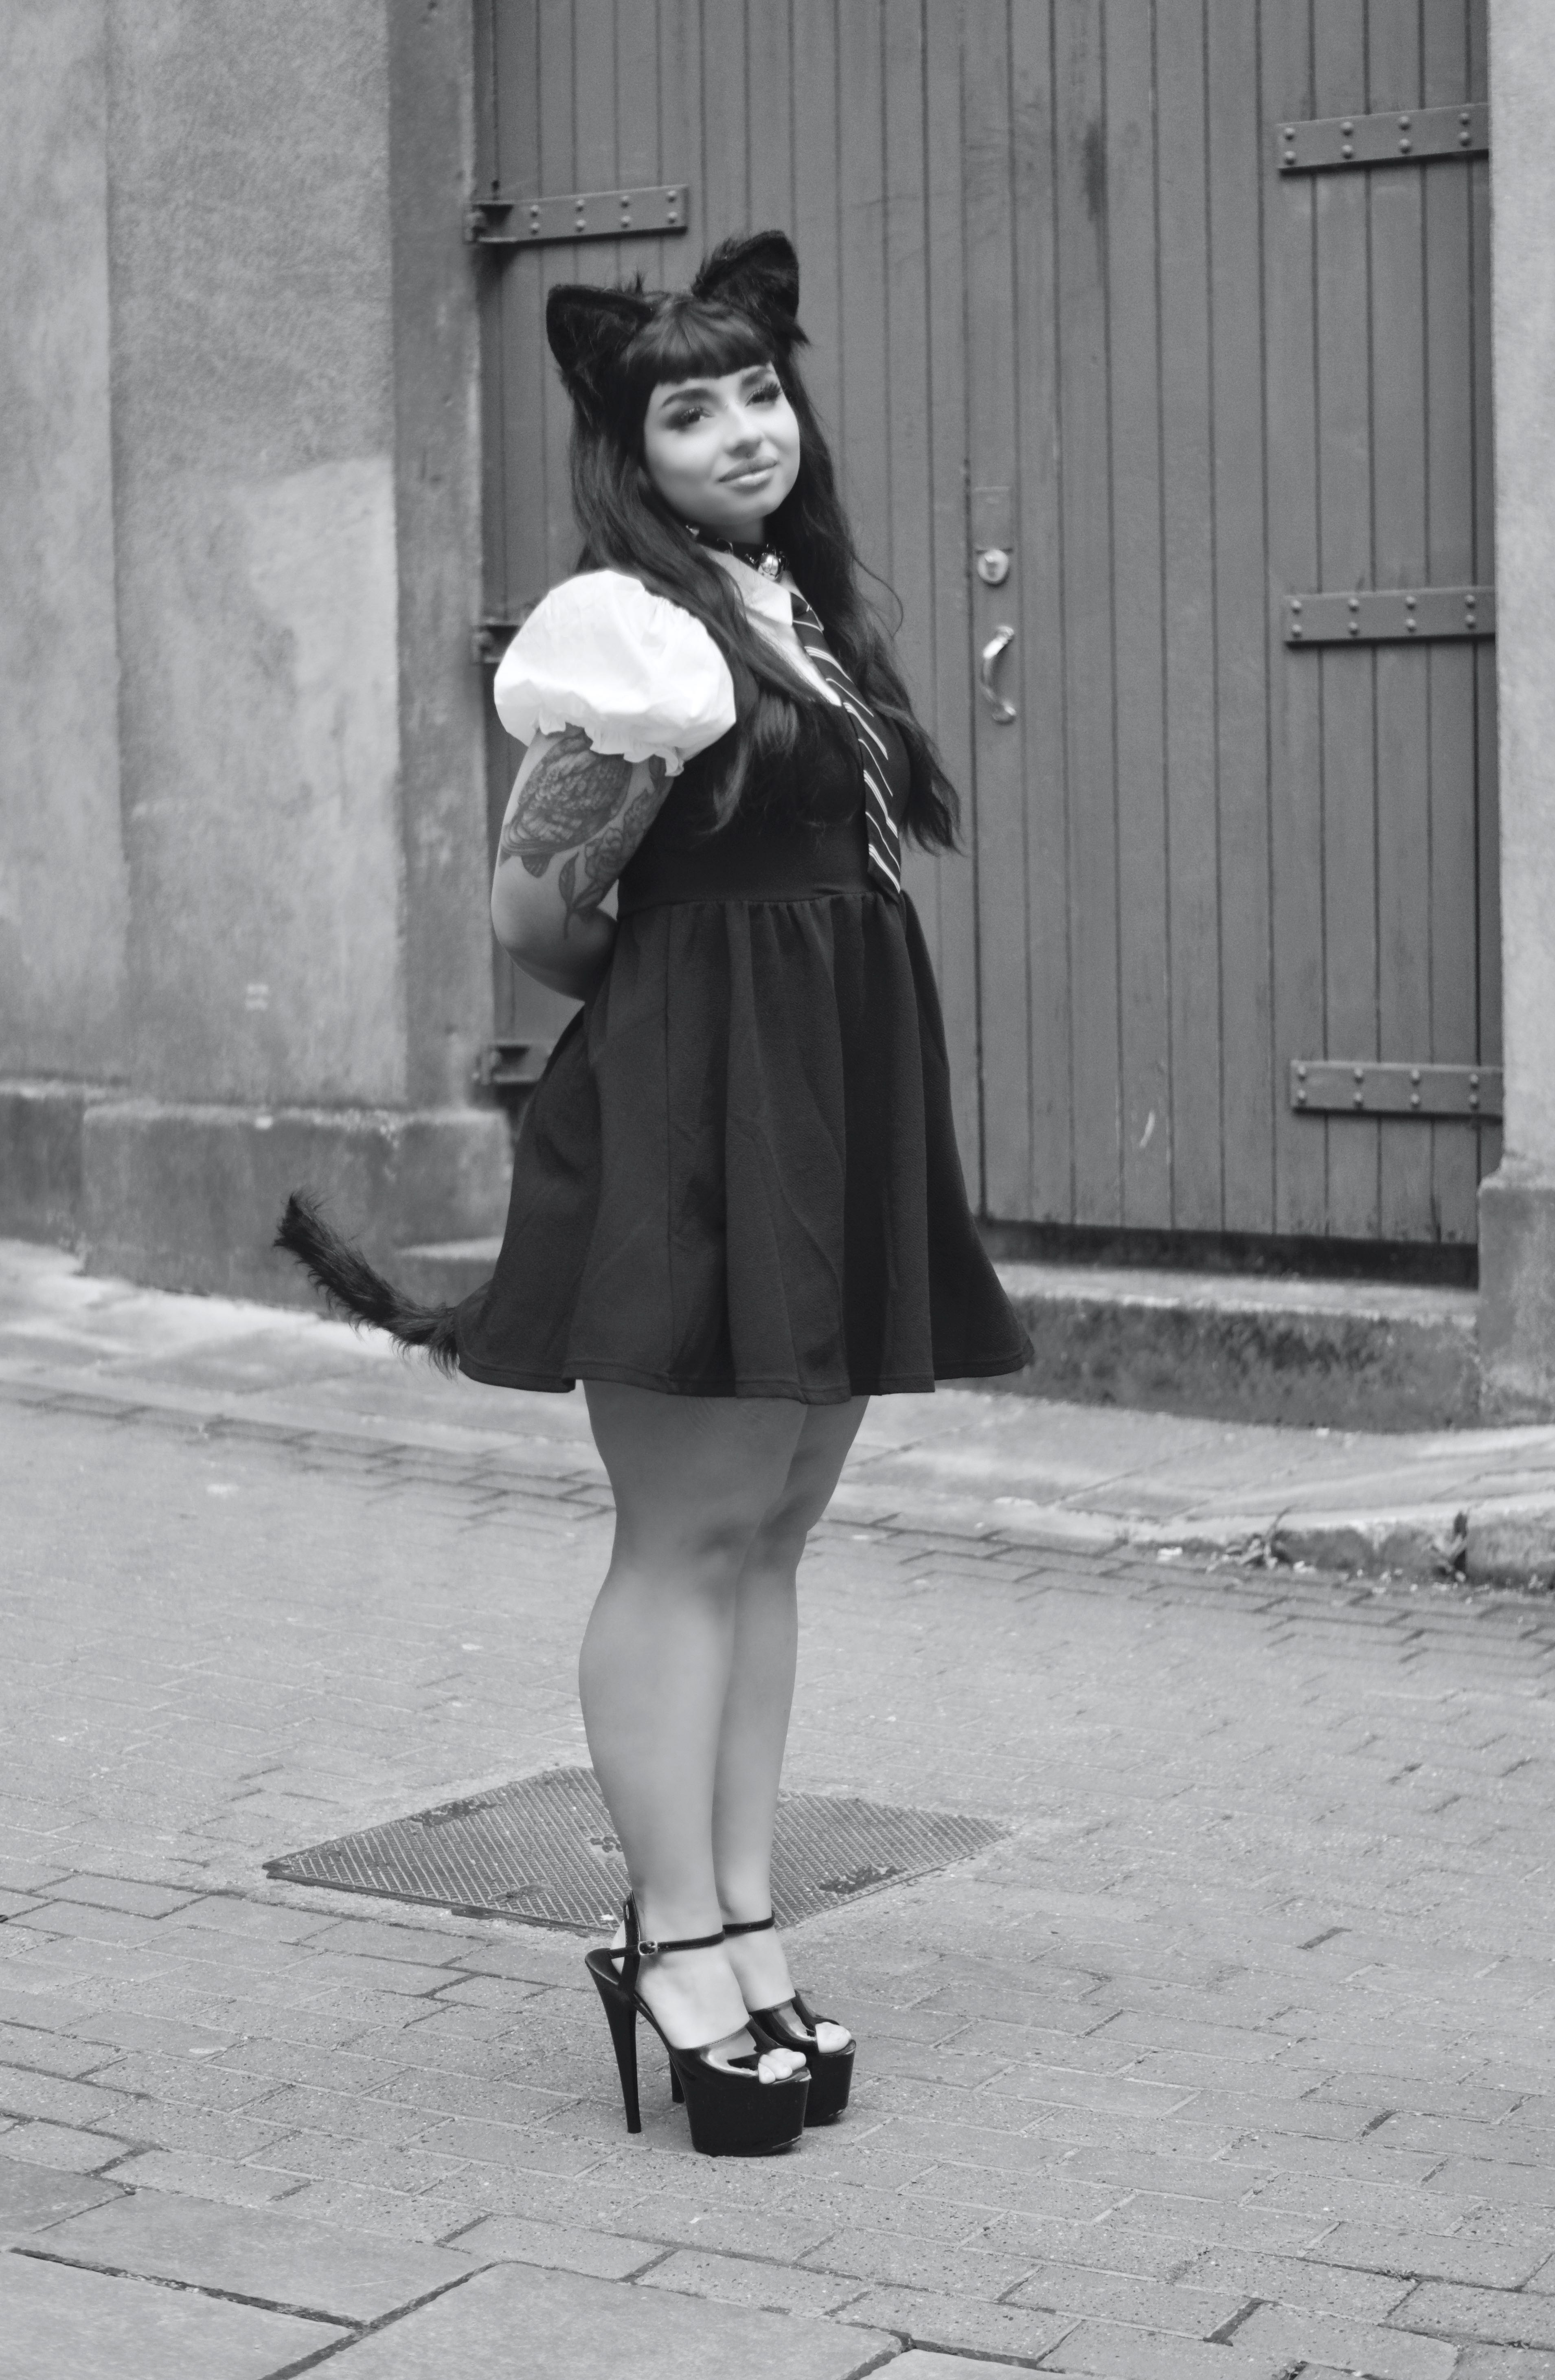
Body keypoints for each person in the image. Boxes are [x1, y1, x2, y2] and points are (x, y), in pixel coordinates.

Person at [277, 230, 1030, 2157]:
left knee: (770, 1535)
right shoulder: (634, 632)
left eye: (761, 390)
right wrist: (696, 1003)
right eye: (691, 410)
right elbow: (535, 916)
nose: (744, 429)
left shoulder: (786, 610)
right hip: (706, 1117)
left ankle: (747, 1919)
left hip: (821, 1102)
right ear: (632, 450)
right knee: (689, 1535)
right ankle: (673, 1941)